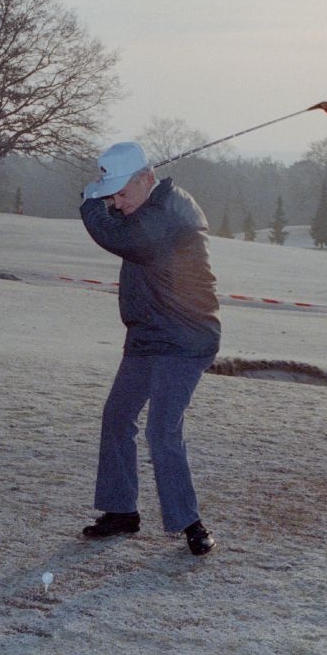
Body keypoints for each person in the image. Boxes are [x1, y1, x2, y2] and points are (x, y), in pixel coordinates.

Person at [78, 142, 221, 555]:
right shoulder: (148, 207)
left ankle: (190, 522)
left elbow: (119, 237)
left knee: (162, 427)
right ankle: (122, 512)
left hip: (185, 338)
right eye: (113, 196)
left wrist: (90, 204)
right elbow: (121, 227)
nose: (117, 204)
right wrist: (102, 199)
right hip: (147, 335)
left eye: (122, 194)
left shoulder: (165, 217)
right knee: (117, 416)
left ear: (146, 179)